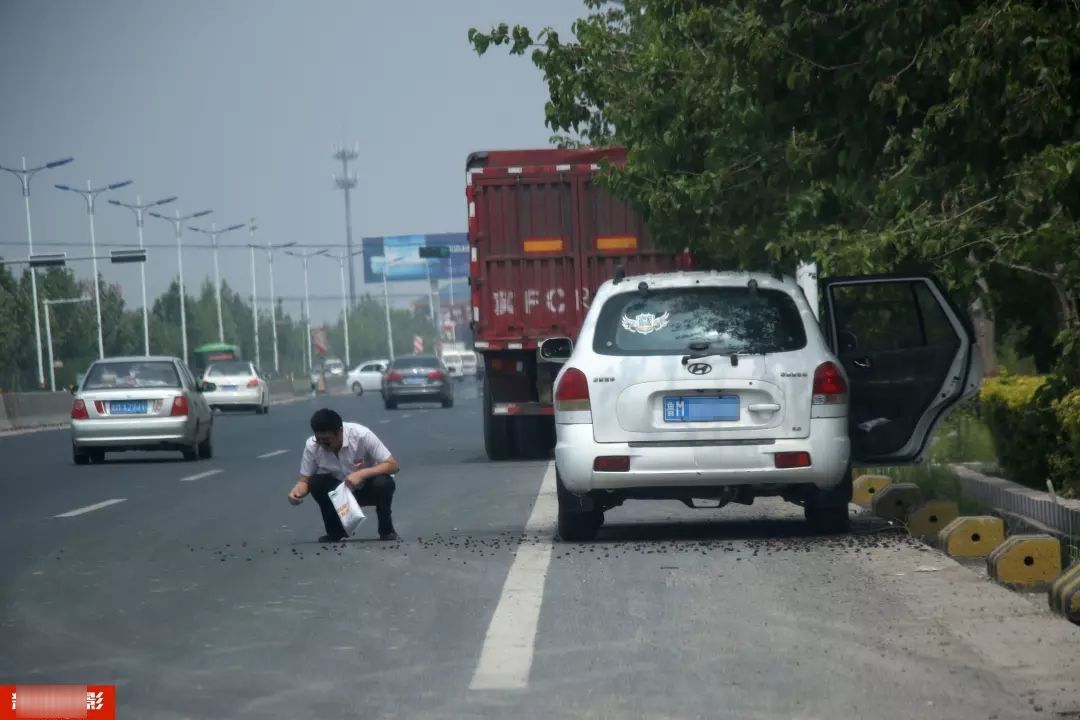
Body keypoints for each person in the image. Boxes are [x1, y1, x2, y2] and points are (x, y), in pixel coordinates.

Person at [287, 408, 401, 542]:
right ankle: (335, 532)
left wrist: (362, 474)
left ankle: (387, 530)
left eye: (327, 439)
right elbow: (304, 480)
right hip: (339, 495)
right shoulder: (312, 446)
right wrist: (296, 492)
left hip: (367, 488)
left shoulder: (361, 435)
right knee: (316, 482)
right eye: (319, 439)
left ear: (340, 431)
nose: (323, 443)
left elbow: (393, 465)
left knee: (384, 483)